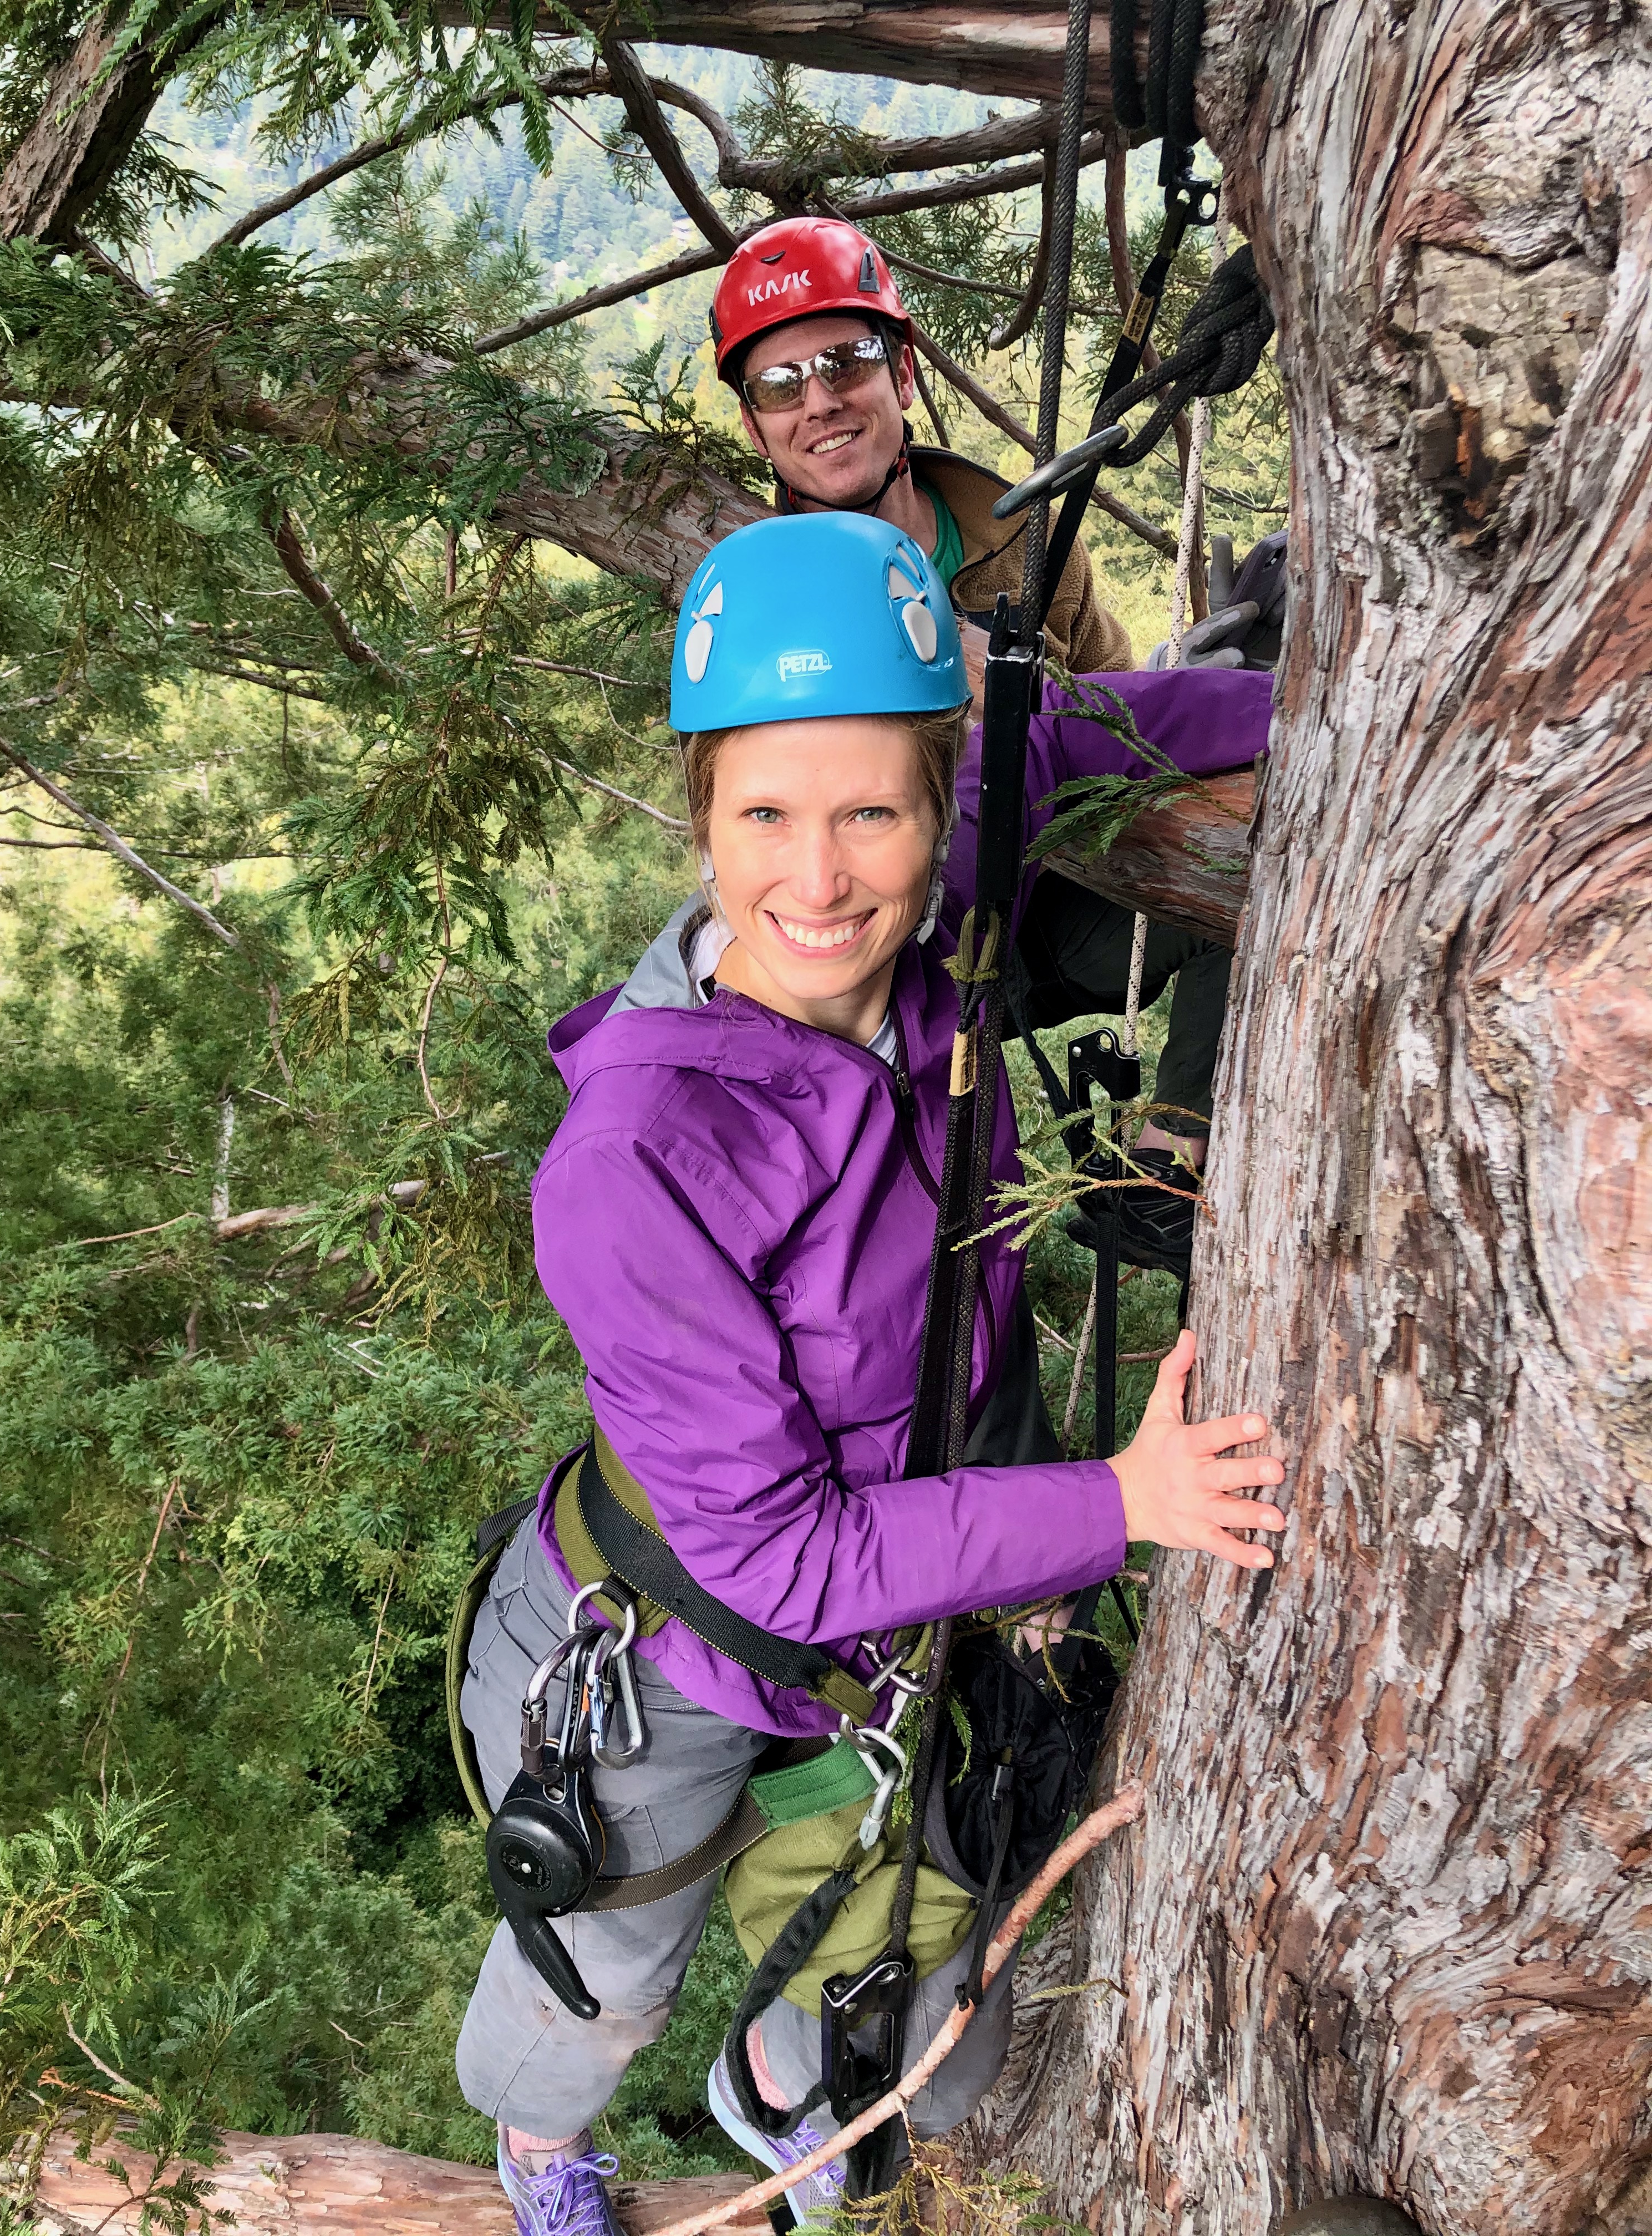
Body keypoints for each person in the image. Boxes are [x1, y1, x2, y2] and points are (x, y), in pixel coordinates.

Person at [456, 512, 1287, 2236]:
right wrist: (1121, 1507)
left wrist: (1337, 700)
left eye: (873, 816)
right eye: (763, 815)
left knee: (929, 2058)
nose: (820, 878)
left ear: (933, 806)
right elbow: (776, 1554)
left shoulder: (934, 903)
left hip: (894, 1623)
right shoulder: (636, 1160)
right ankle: (543, 2156)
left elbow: (1074, 734)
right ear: (699, 816)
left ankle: (775, 2090)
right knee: (593, 1966)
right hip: (669, 1647)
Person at [708, 216, 1276, 1281]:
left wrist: (1204, 695)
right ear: (756, 425)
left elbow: (1108, 727)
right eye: (782, 383)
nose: (820, 401)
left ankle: (1170, 1168)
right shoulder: (759, 604)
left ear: (905, 371)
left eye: (846, 361)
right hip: (894, 955)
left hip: (1050, 916)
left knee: (1263, 872)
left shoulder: (1020, 541)